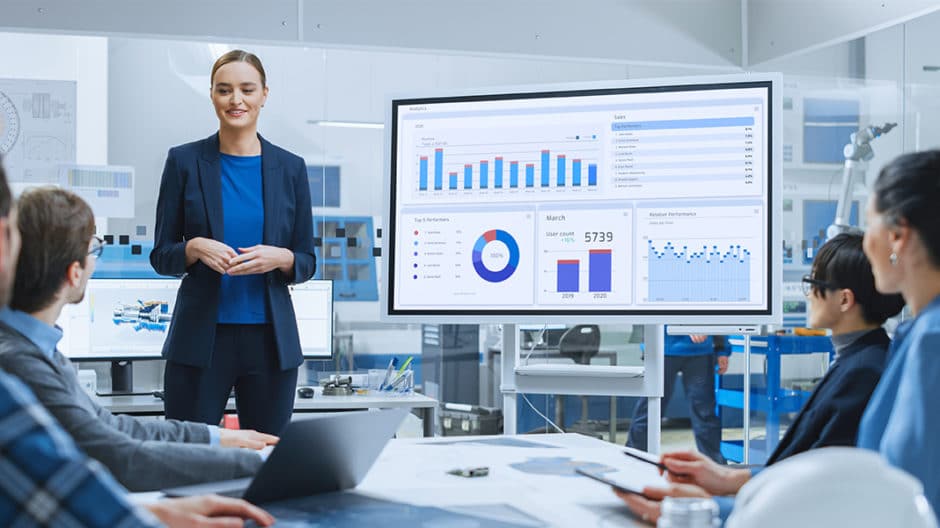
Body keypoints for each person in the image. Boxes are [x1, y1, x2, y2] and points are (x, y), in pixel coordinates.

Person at [0, 157, 273, 527]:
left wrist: (221, 438)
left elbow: (115, 430)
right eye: (94, 249)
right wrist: (260, 464)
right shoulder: (18, 362)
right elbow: (117, 456)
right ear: (74, 272)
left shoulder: (40, 351)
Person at [618, 232, 905, 524]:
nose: (808, 295)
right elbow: (804, 466)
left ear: (844, 300)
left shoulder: (864, 372)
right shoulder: (860, 358)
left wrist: (711, 509)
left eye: (813, 284)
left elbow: (818, 489)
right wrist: (727, 478)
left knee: (704, 414)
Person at [151, 49, 315, 435]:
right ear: (211, 95)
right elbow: (161, 255)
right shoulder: (184, 162)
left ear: (264, 94)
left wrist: (283, 257)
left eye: (246, 89)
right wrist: (193, 249)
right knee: (186, 455)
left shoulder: (291, 168)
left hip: (270, 343)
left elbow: (307, 261)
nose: (236, 100)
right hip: (200, 341)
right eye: (224, 90)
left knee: (269, 457)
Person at [858, 149, 940, 515]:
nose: (864, 243)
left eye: (868, 225)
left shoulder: (932, 342)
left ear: (897, 235)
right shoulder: (919, 333)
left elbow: (904, 508)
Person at [628, 332, 729, 464]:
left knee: (705, 413)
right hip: (662, 348)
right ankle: (632, 461)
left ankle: (714, 466)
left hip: (700, 352)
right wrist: (688, 325)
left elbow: (718, 313)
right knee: (650, 410)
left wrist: (722, 349)